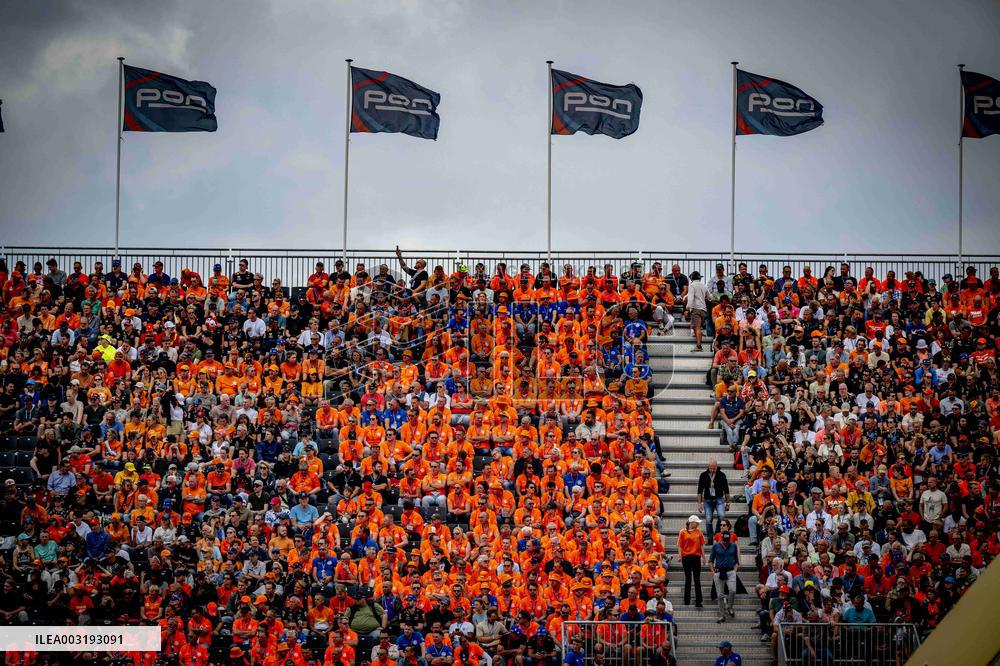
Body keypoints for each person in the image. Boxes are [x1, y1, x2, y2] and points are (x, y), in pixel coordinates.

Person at [709, 531, 739, 623]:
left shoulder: (733, 546)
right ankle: (722, 615)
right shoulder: (715, 546)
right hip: (719, 571)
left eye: (727, 540)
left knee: (733, 590)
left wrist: (734, 571)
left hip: (730, 571)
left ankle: (729, 607)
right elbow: (711, 560)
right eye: (724, 540)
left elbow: (736, 560)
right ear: (721, 538)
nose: (725, 542)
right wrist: (713, 572)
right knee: (720, 595)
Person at [677, 515, 706, 607]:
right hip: (686, 557)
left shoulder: (699, 533)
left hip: (696, 557)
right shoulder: (682, 532)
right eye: (696, 522)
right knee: (688, 579)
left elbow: (701, 545)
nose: (697, 524)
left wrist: (704, 557)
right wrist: (680, 556)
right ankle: (687, 600)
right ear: (691, 522)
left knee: (697, 579)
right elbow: (680, 545)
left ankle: (698, 601)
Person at [697, 460, 730, 537]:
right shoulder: (703, 475)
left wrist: (728, 502)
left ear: (716, 466)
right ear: (708, 466)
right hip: (707, 500)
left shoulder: (722, 475)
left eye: (714, 468)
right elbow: (700, 490)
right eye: (711, 468)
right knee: (708, 519)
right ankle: (710, 538)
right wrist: (699, 503)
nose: (712, 470)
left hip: (719, 498)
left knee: (722, 516)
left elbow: (726, 489)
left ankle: (717, 535)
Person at [684, 271, 709, 351]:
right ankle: (700, 336)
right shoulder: (704, 285)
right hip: (703, 309)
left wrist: (687, 308)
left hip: (696, 309)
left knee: (696, 327)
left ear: (691, 278)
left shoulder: (692, 285)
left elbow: (690, 299)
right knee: (696, 327)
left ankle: (699, 346)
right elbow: (710, 297)